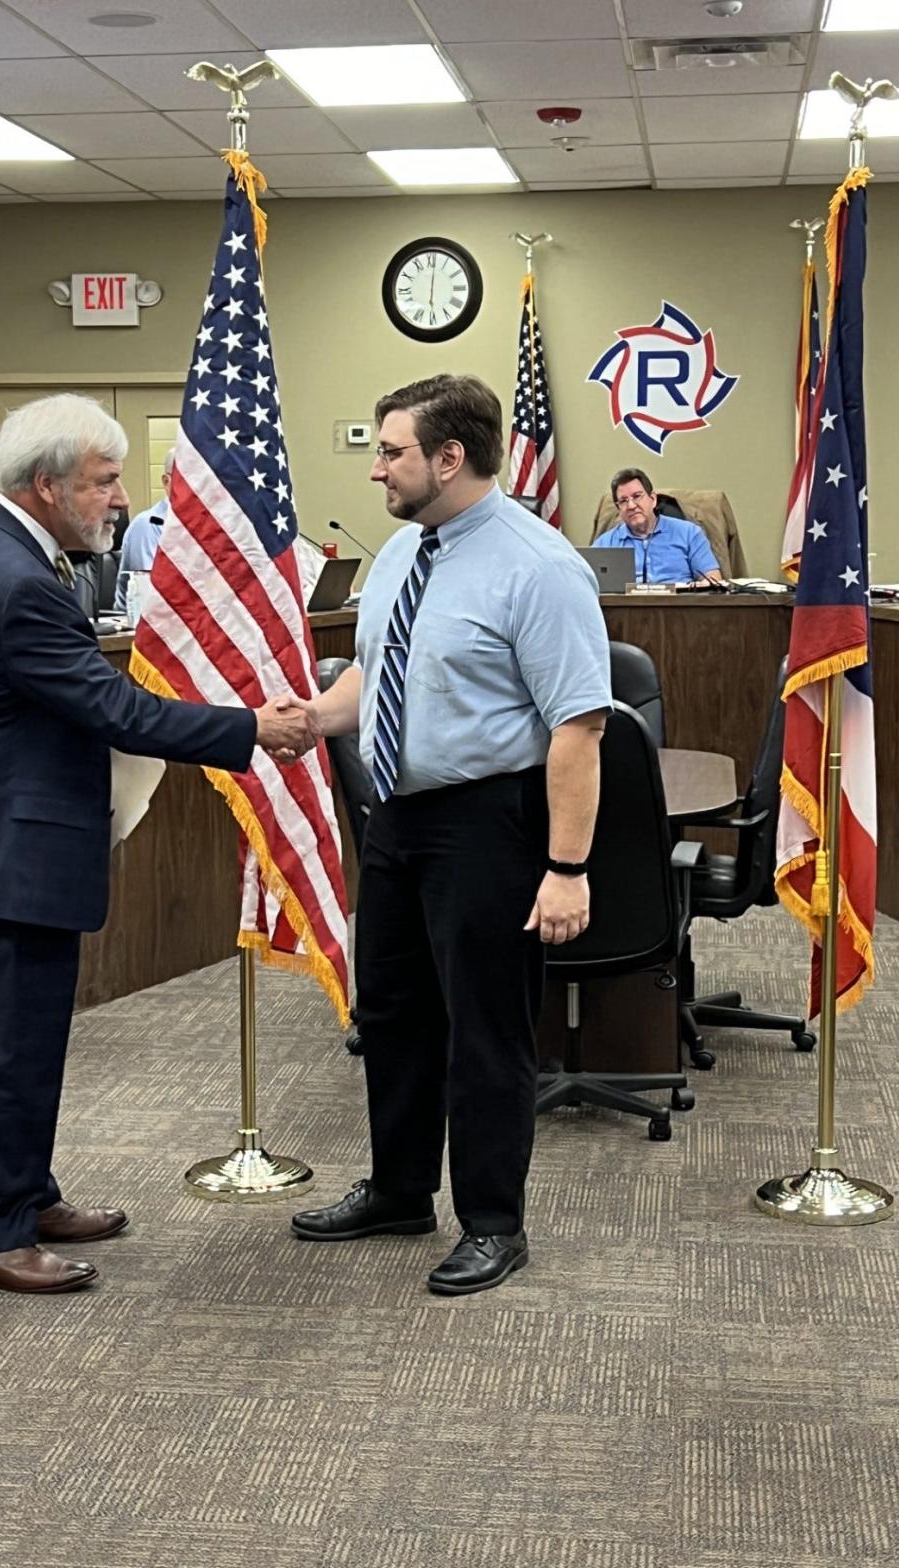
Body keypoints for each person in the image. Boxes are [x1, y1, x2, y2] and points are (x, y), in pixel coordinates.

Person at [0, 394, 317, 1296]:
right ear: (48, 486)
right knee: (15, 1043)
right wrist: (252, 727)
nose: (122, 498)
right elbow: (113, 708)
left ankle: (24, 1194)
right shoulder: (16, 584)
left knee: (16, 1037)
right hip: (6, 852)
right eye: (104, 481)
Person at [290, 375, 611, 1297]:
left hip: (488, 824)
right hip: (398, 816)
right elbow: (374, 675)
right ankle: (398, 1189)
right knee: (389, 1011)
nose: (375, 469)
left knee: (485, 1029)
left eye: (389, 452)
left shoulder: (538, 566)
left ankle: (493, 1223)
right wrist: (311, 719)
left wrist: (566, 869)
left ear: (448, 458)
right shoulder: (400, 552)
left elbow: (580, 726)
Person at [595, 468, 724, 586]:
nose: (631, 506)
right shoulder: (604, 543)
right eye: (623, 501)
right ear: (618, 508)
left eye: (637, 496)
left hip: (678, 607)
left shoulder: (689, 533)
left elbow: (713, 579)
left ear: (653, 499)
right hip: (626, 609)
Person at [116, 446, 174, 608]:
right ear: (166, 482)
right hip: (140, 627)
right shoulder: (148, 525)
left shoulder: (204, 528)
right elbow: (150, 596)